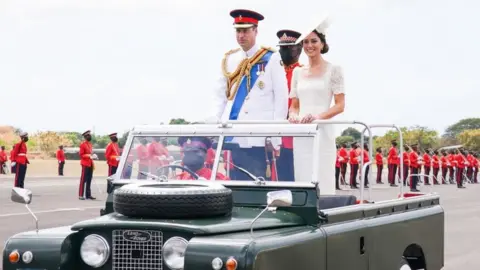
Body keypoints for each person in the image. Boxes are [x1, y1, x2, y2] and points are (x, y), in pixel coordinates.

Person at [211, 9, 289, 180]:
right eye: (238, 31)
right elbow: (220, 97)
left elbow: (281, 99)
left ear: (256, 30)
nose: (241, 35)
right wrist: (215, 126)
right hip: (235, 135)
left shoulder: (271, 58)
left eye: (245, 31)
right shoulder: (229, 60)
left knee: (260, 184)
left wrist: (276, 136)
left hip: (260, 137)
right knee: (235, 184)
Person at [287, 15, 345, 194]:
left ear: (322, 44)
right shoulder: (297, 72)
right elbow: (294, 104)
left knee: (323, 175)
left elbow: (340, 105)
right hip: (302, 131)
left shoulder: (334, 70)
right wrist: (294, 116)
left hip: (323, 130)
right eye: (305, 42)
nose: (309, 46)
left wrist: (318, 117)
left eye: (314, 41)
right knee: (303, 174)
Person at [275, 29, 303, 182]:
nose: (282, 51)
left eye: (287, 48)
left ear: (298, 49)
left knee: (293, 177)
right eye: (281, 48)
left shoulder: (303, 73)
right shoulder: (275, 72)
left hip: (293, 137)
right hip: (275, 134)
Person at [78, 130, 97, 200]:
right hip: (85, 164)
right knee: (83, 179)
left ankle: (88, 195)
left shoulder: (90, 144)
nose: (89, 136)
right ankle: (80, 195)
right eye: (88, 135)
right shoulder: (82, 144)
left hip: (90, 163)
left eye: (89, 135)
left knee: (89, 179)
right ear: (85, 137)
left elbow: (90, 154)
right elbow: (81, 154)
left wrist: (93, 156)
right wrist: (89, 156)